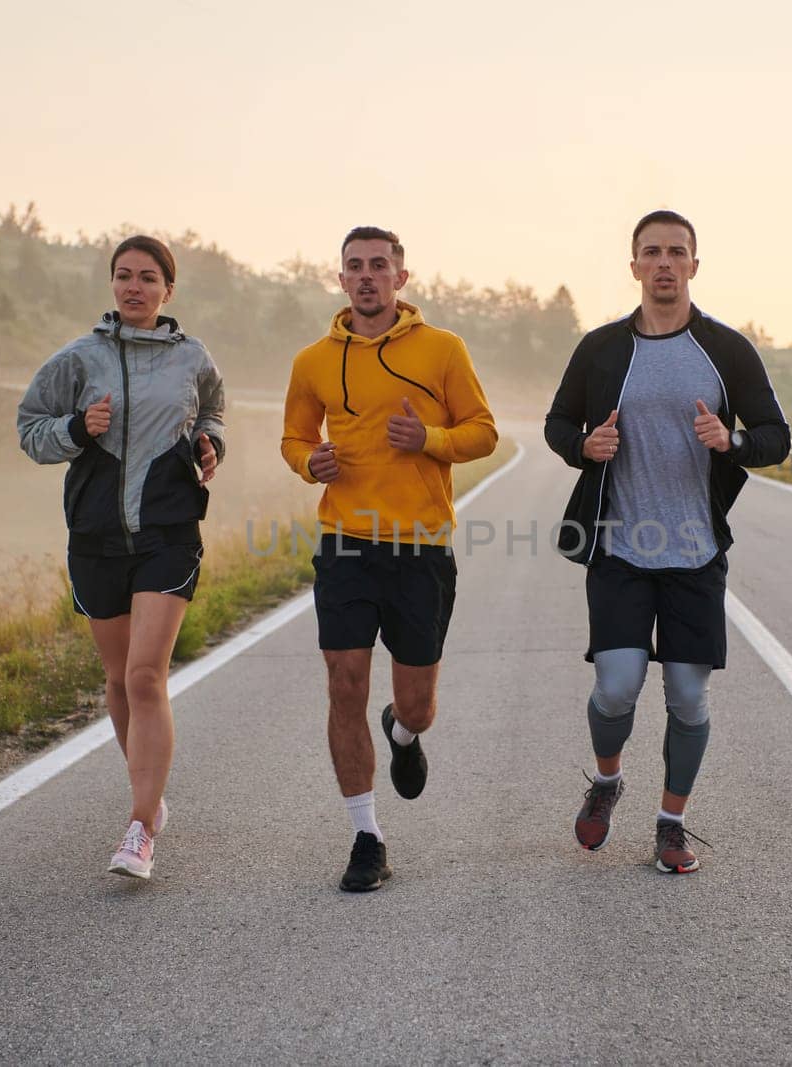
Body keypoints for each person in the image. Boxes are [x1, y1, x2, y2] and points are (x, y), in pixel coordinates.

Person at [544, 210, 789, 873]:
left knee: (686, 694)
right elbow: (558, 422)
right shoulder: (600, 347)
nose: (663, 263)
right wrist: (582, 445)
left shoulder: (727, 350)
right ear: (633, 267)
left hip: (695, 552)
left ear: (693, 266)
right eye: (651, 252)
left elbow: (775, 435)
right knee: (617, 685)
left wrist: (732, 442)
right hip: (622, 546)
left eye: (676, 252)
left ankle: (671, 824)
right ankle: (606, 779)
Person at [281, 226, 497, 892]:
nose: (368, 276)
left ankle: (404, 734)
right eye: (355, 267)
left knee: (418, 702)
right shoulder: (313, 360)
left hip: (421, 549)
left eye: (380, 265)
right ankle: (366, 836)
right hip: (345, 543)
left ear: (401, 278)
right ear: (341, 280)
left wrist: (428, 437)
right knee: (344, 681)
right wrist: (307, 462)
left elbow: (483, 431)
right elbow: (295, 436)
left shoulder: (442, 349)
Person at [17, 235, 226, 880]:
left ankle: (138, 829)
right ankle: (150, 794)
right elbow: (30, 430)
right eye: (123, 276)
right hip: (98, 536)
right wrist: (78, 430)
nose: (134, 287)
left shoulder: (192, 356)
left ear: (168, 288)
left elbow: (212, 411)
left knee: (144, 675)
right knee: (116, 681)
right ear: (113, 285)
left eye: (147, 278)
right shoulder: (79, 358)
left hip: (167, 530)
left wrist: (210, 443)